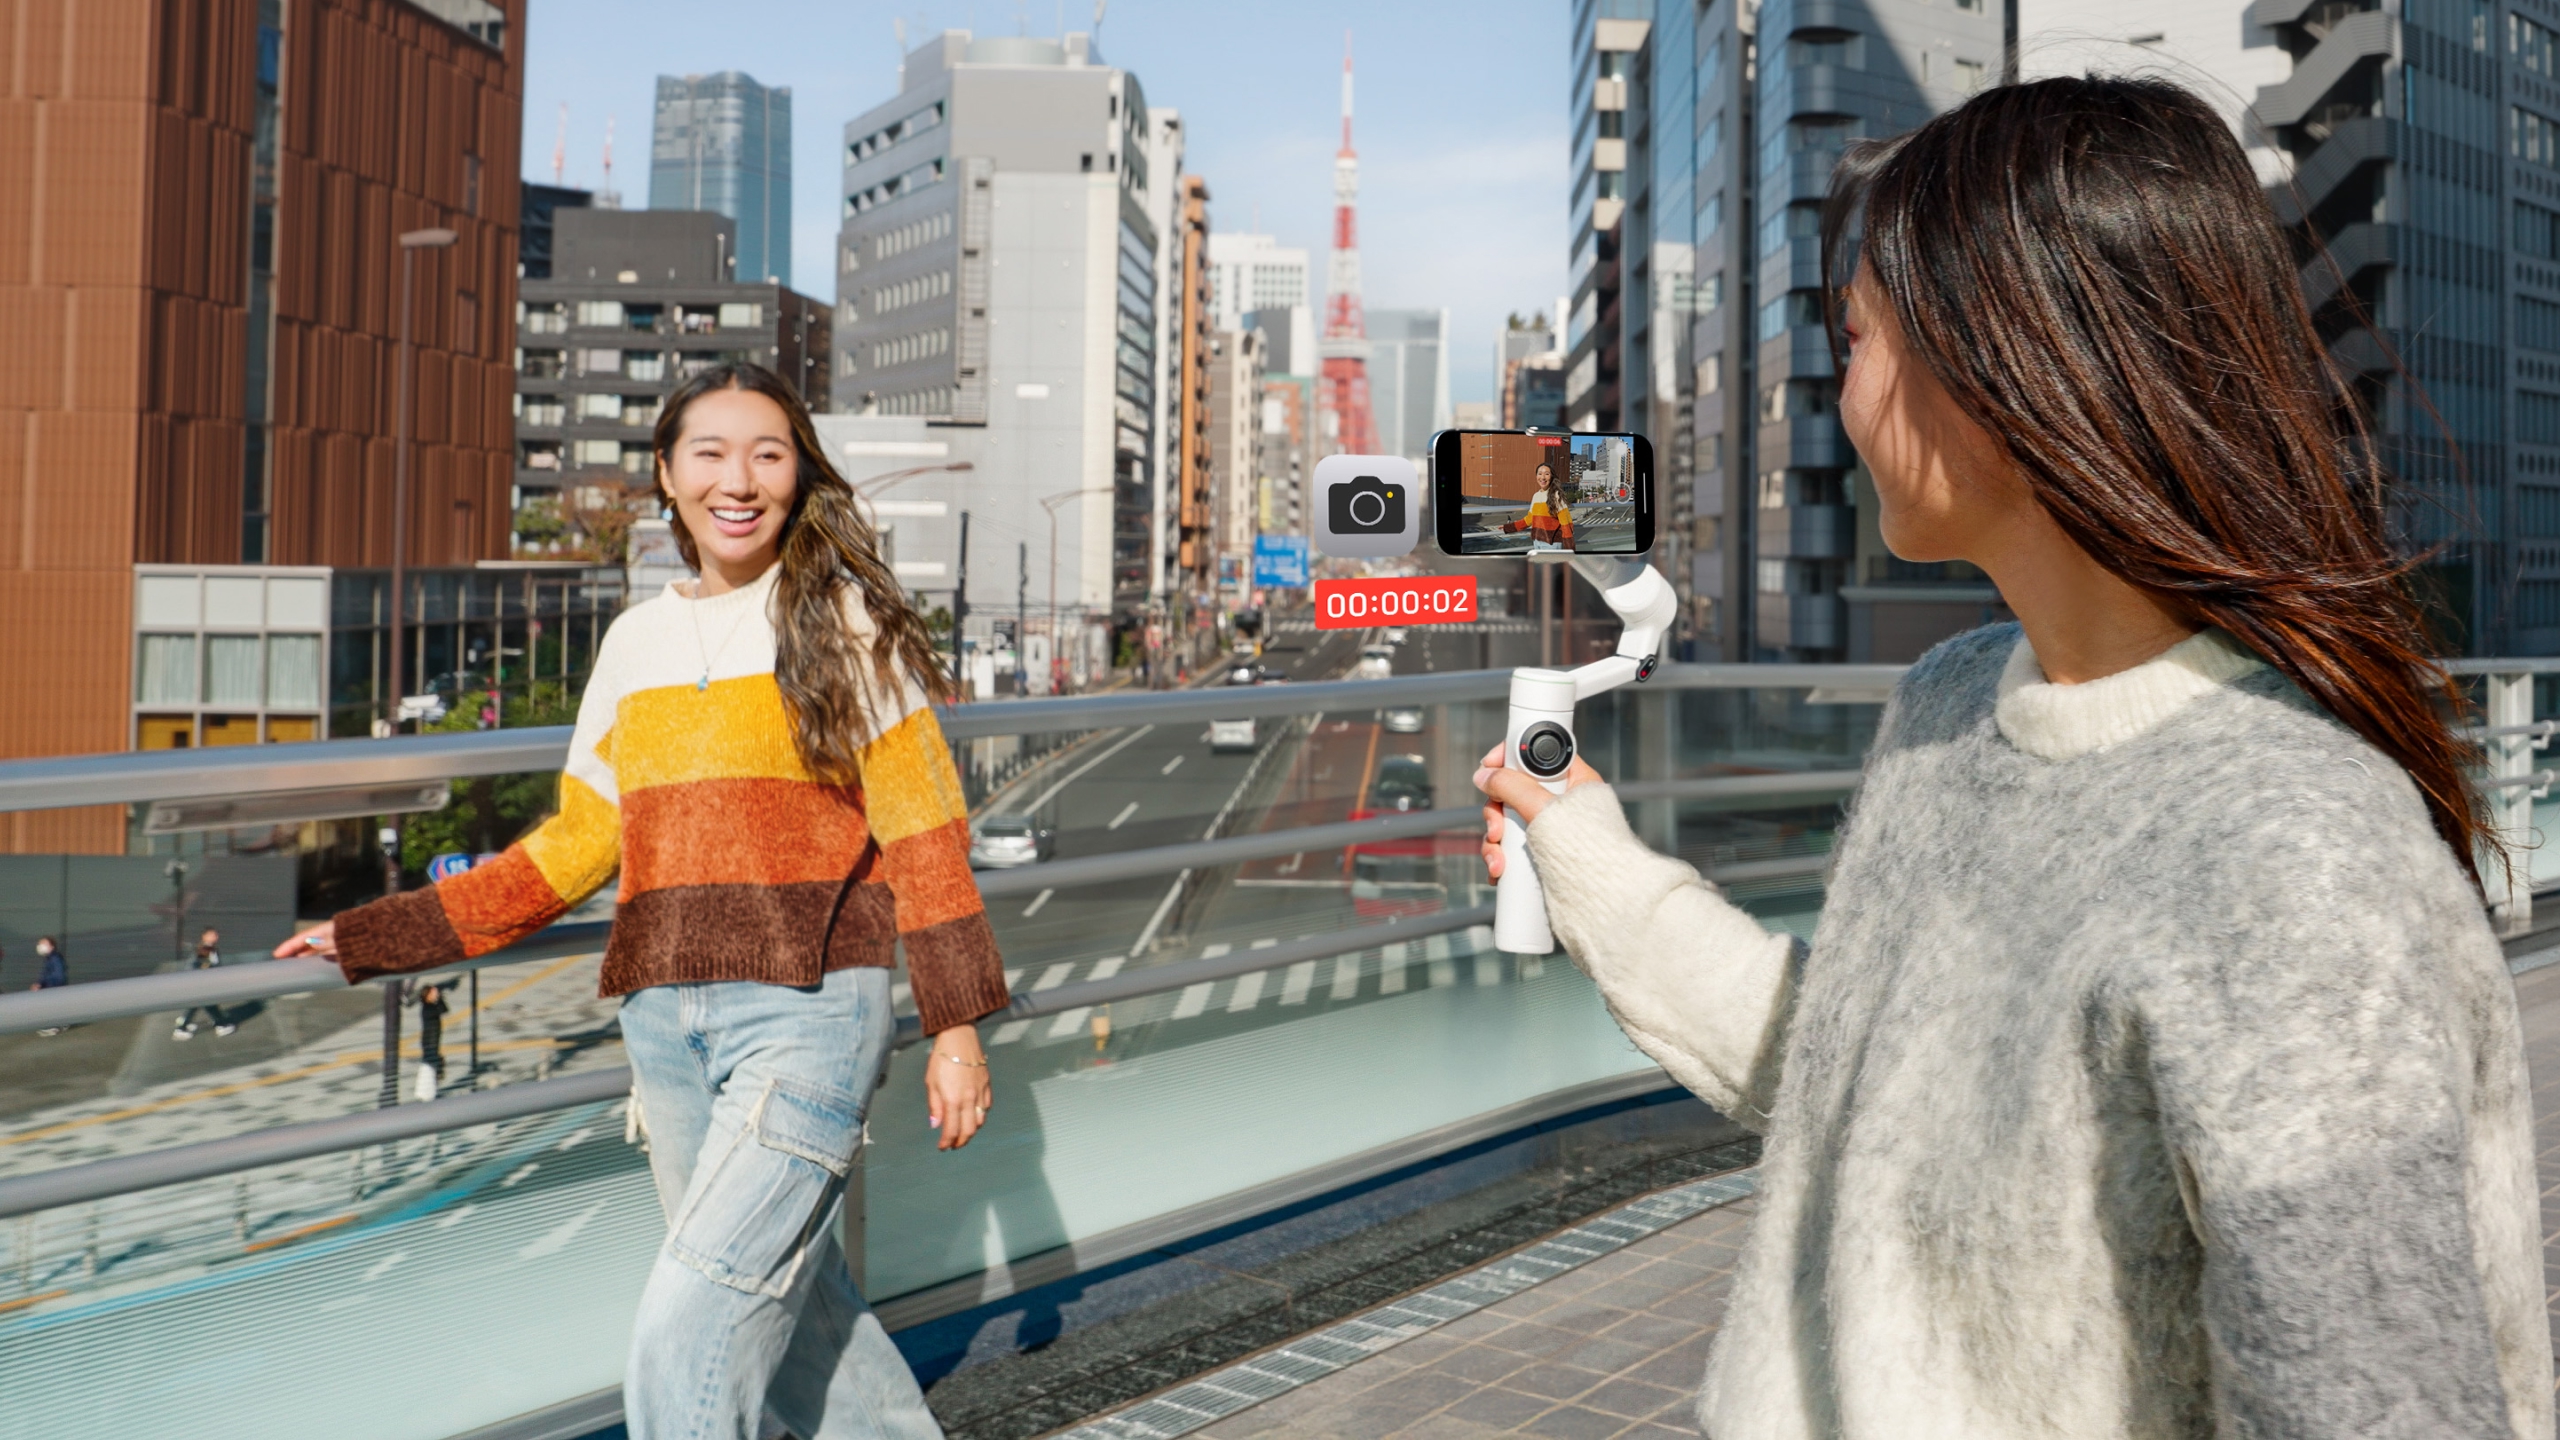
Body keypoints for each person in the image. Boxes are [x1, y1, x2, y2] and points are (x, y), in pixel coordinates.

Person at [1474, 78, 2552, 1440]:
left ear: (2001, 363)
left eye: (1853, 338)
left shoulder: (2294, 859)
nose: (1843, 392)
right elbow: (1869, 1092)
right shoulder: (1951, 707)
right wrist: (1590, 855)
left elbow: (2374, 1403)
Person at [277, 361, 1007, 1440]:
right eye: (709, 452)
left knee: (689, 1328)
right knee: (798, 1315)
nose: (739, 478)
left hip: (807, 1015)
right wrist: (376, 932)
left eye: (768, 452)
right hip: (663, 1026)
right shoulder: (633, 643)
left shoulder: (846, 626)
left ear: (800, 474)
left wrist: (955, 1029)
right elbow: (576, 845)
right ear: (667, 476)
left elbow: (925, 836)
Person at [175, 927, 236, 1040]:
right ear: (204, 936)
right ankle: (220, 1025)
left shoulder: (210, 948)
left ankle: (184, 1025)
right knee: (207, 1004)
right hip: (200, 983)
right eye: (212, 935)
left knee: (198, 1005)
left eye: (216, 935)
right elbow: (199, 967)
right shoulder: (205, 949)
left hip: (200, 983)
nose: (216, 937)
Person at [1495, 462, 1573, 550]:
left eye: (1547, 474)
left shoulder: (1557, 495)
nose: (1543, 477)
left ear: (1552, 477)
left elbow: (1566, 524)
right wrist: (1508, 527)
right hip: (1537, 542)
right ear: (1536, 476)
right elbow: (1529, 519)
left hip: (1552, 544)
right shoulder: (1536, 496)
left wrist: (1570, 550)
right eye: (1540, 474)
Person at [411, 980, 449, 1100]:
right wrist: (438, 998)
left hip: (433, 1041)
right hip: (429, 1042)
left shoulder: (431, 1006)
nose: (435, 994)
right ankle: (426, 1093)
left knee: (430, 1066)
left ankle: (426, 1092)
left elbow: (445, 1010)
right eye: (432, 993)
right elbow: (440, 1010)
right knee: (429, 1066)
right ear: (427, 995)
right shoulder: (427, 1009)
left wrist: (439, 998)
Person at [30, 936, 67, 1036]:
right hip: (52, 987)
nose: (40, 946)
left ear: (52, 946)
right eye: (39, 944)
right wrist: (39, 984)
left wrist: (44, 985)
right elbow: (45, 974)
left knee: (49, 1006)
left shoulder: (55, 958)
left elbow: (58, 975)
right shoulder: (49, 959)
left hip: (54, 988)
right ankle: (62, 1023)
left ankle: (52, 1027)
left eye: (43, 944)